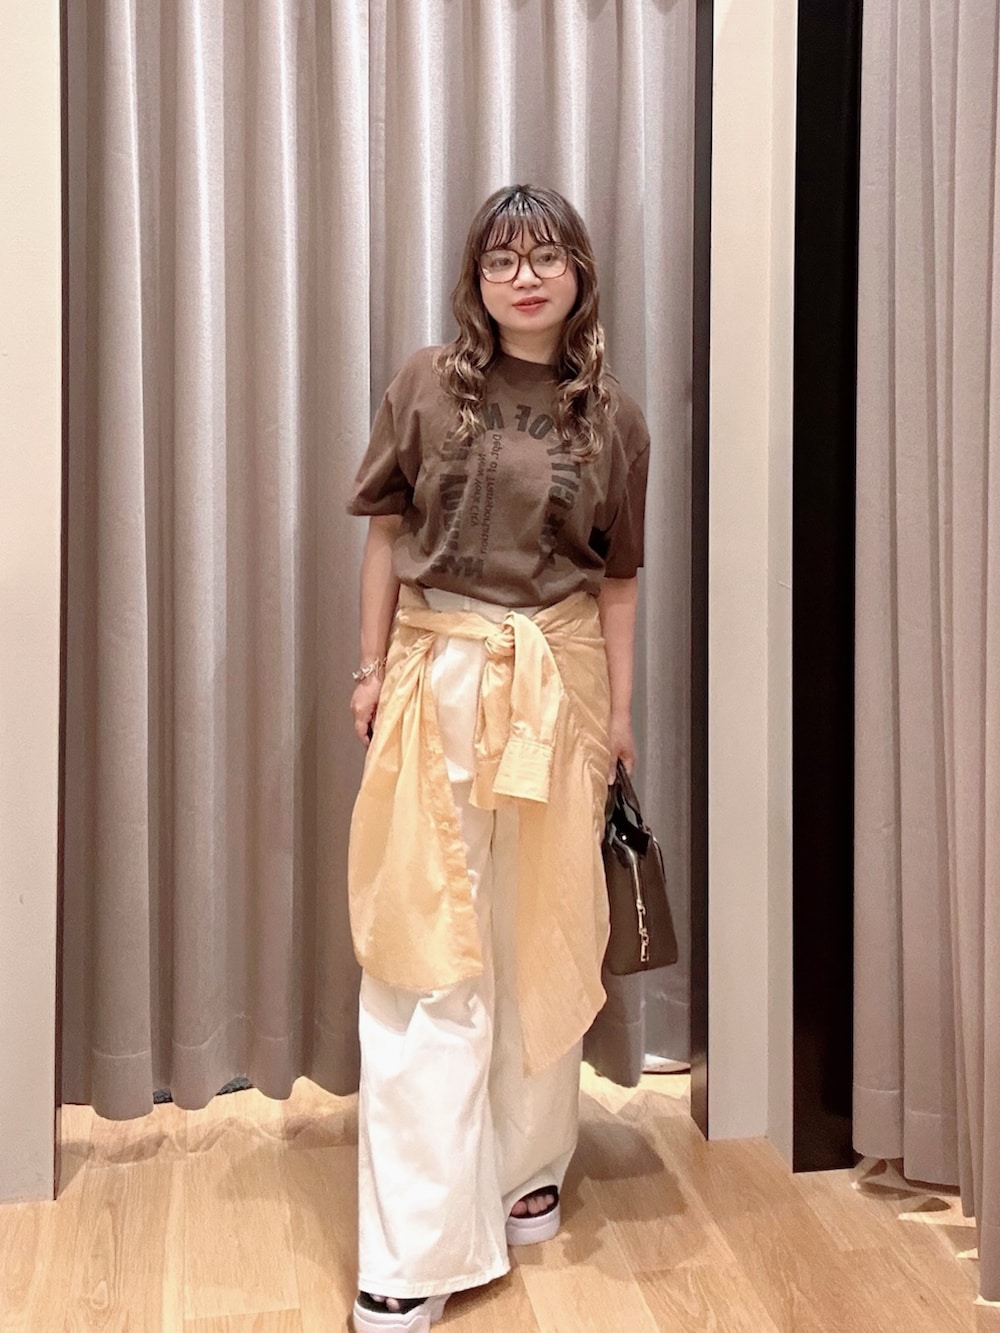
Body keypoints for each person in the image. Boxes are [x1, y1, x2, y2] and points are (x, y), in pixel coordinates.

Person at [345, 184, 650, 1333]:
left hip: (559, 683)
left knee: (542, 925)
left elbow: (618, 579)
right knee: (428, 945)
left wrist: (618, 715)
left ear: (580, 275)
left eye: (547, 257)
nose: (525, 278)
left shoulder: (614, 419)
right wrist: (368, 669)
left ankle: (527, 1162)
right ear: (475, 280)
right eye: (502, 260)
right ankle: (414, 1245)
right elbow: (386, 532)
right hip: (439, 673)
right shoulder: (428, 384)